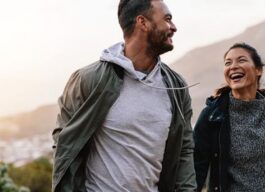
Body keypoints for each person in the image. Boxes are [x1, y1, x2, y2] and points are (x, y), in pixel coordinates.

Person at [52, 0, 196, 191]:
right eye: (167, 19)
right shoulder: (88, 80)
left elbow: (184, 150)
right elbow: (64, 145)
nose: (174, 27)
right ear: (142, 22)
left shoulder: (176, 87)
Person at [193, 42, 265, 192]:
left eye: (241, 60)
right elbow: (195, 170)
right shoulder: (212, 116)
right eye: (228, 63)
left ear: (258, 70)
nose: (233, 66)